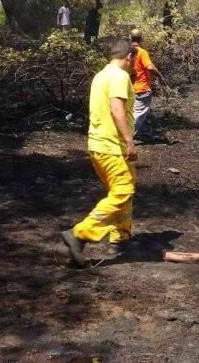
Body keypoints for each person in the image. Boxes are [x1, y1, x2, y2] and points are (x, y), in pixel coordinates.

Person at [62, 39, 138, 267]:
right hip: (112, 146)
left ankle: (120, 236)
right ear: (129, 57)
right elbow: (116, 109)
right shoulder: (119, 76)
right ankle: (79, 234)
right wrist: (129, 140)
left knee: (123, 189)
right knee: (123, 191)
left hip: (98, 145)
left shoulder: (101, 75)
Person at [129, 28, 166, 141]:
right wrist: (160, 76)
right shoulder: (141, 52)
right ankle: (128, 138)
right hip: (142, 88)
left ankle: (144, 134)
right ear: (141, 39)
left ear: (130, 38)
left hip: (130, 88)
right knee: (139, 114)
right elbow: (149, 67)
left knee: (141, 113)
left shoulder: (127, 52)